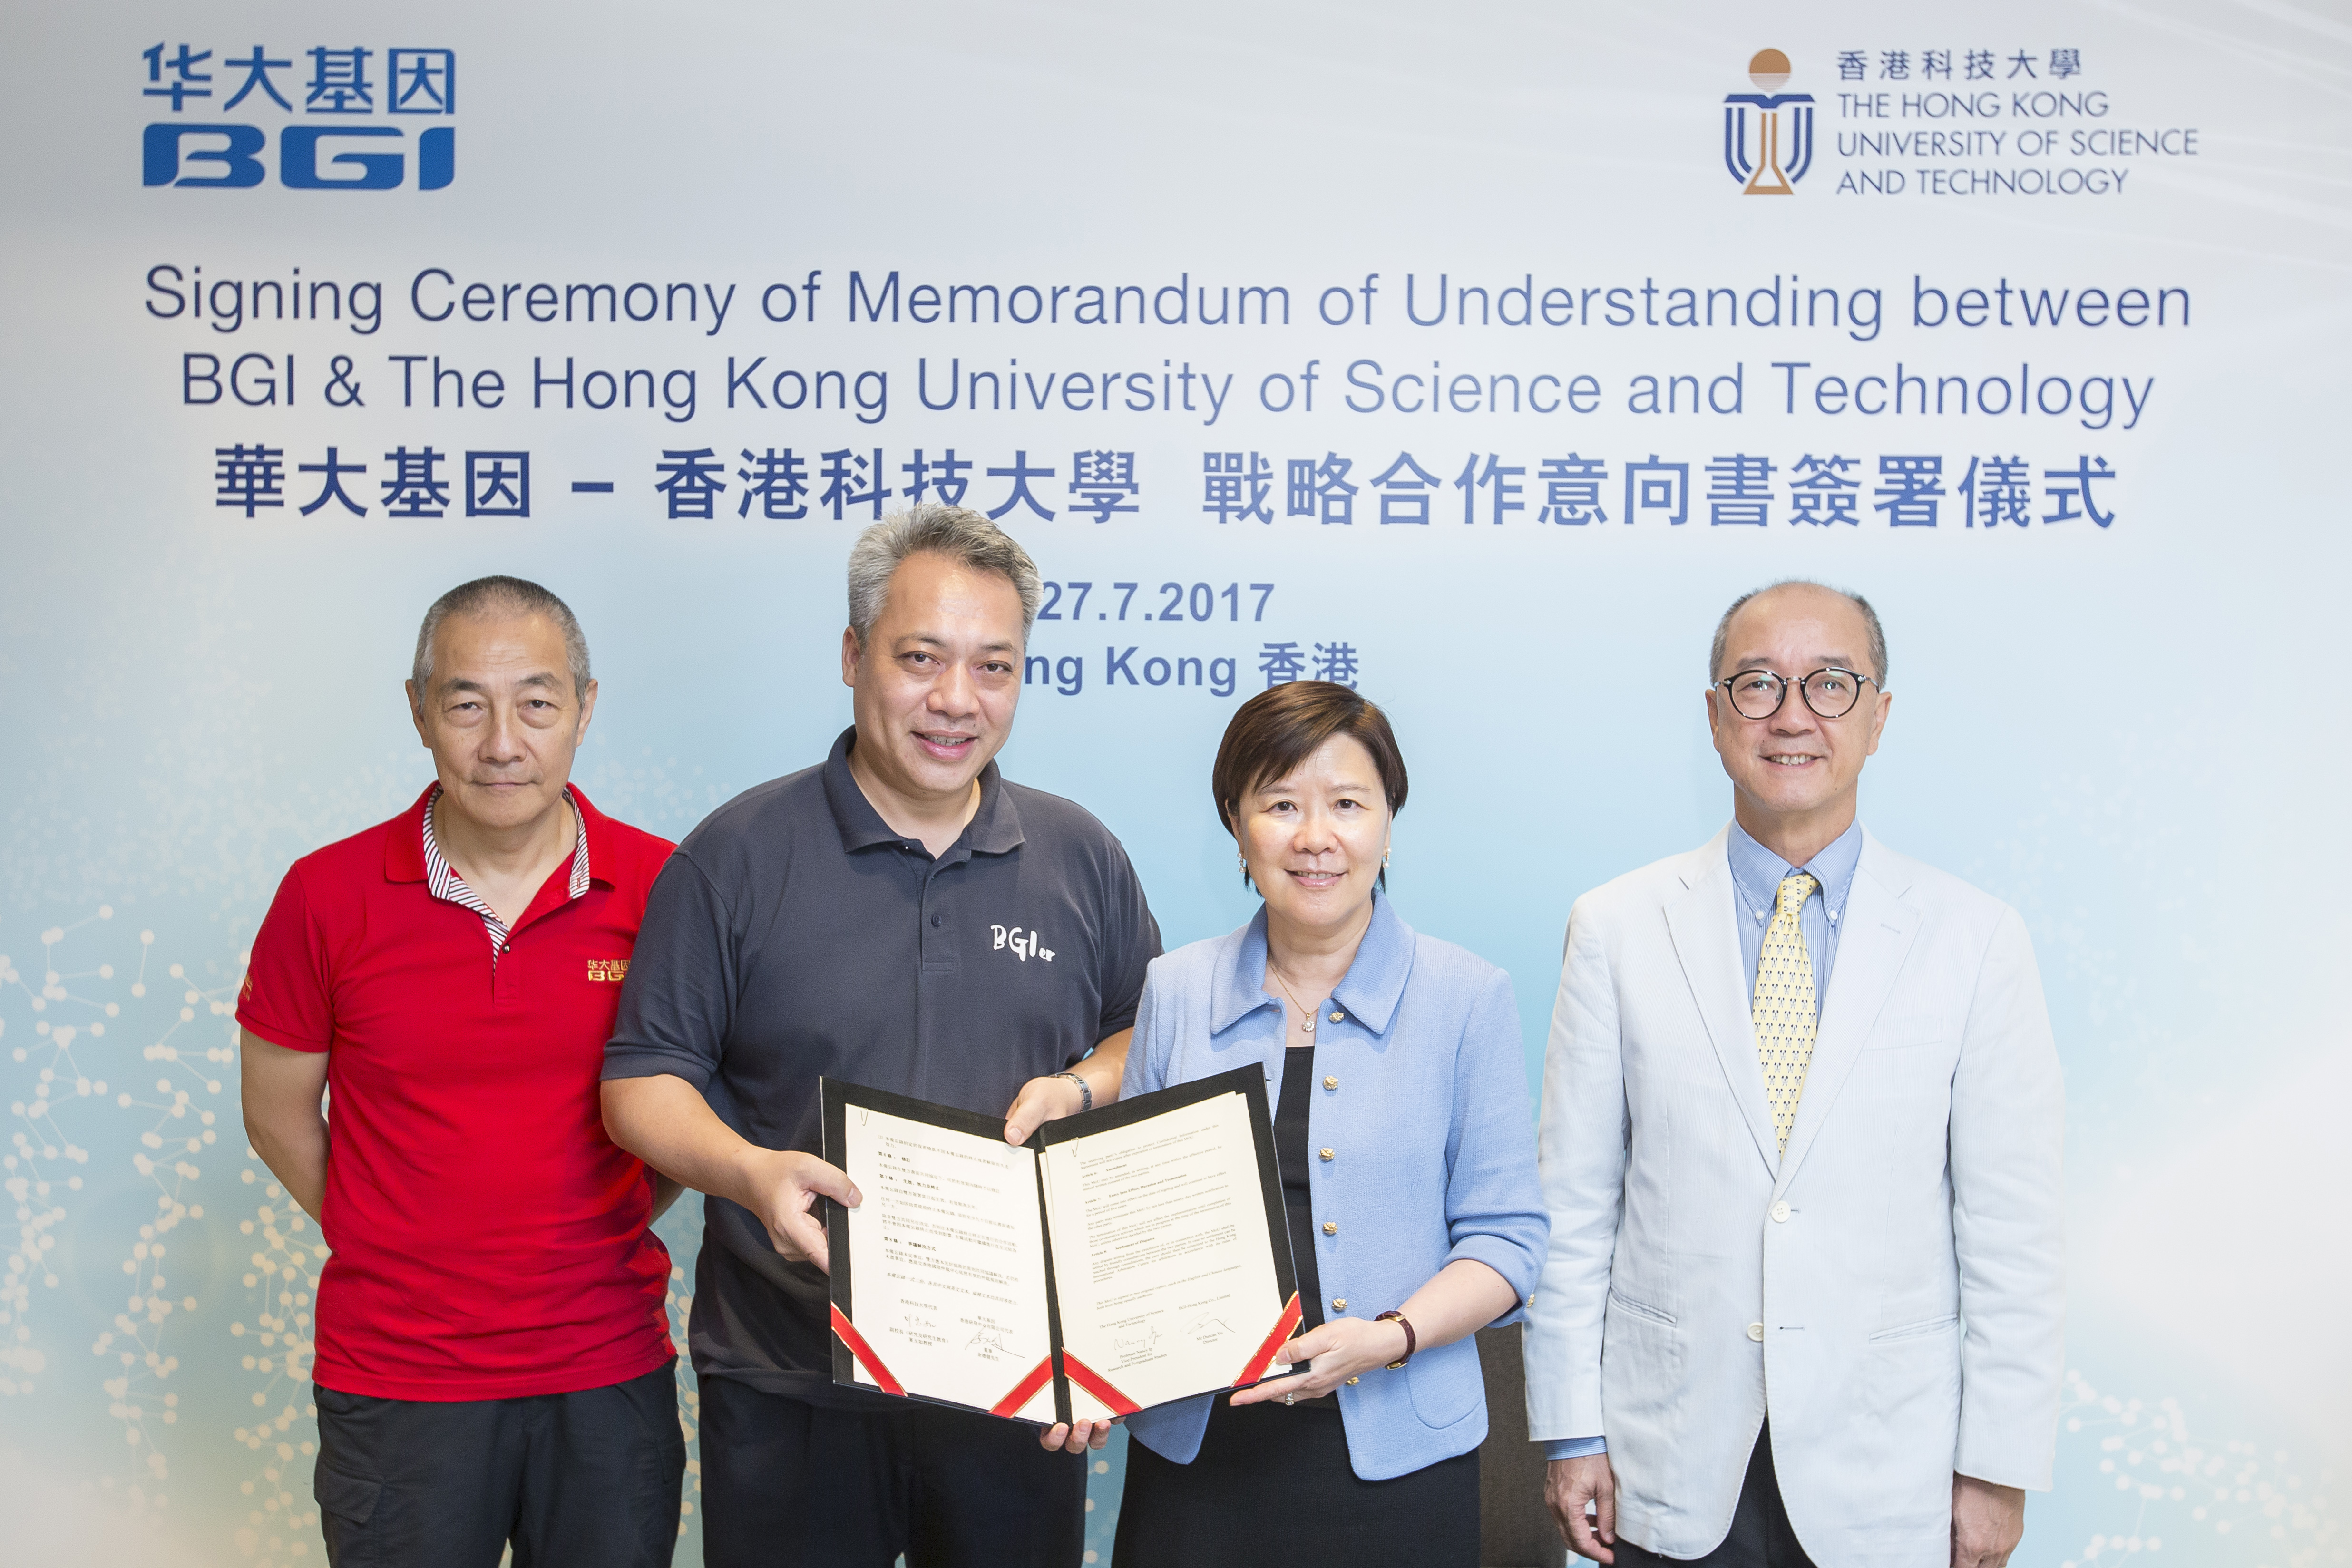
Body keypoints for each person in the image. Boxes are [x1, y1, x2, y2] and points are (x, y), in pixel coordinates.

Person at [599, 503, 1161, 1568]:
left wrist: (1084, 1086)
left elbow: (1144, 1035)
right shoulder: (735, 855)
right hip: (788, 1371)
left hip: (1016, 1375)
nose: (957, 700)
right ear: (853, 654)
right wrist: (751, 1169)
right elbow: (641, 1081)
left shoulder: (1080, 855)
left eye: (994, 667)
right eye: (920, 658)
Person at [1523, 581, 2065, 1568]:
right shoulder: (1615, 925)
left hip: (1890, 1463)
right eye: (1758, 684)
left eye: (1830, 683)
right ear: (1714, 714)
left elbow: (2012, 1230)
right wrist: (1570, 1428)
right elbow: (1573, 1209)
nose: (1792, 715)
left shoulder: (1974, 938)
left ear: (1879, 716)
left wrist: (1997, 1463)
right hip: (1666, 1456)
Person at [237, 576, 685, 1568]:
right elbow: (275, 1114)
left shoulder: (664, 888)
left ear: (585, 707)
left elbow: (685, 1109)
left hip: (606, 1370)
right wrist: (394, 1228)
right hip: (398, 1381)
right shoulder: (325, 894)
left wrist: (587, 1227)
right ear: (417, 710)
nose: (502, 742)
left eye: (537, 701)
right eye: (465, 702)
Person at [1113, 680, 1548, 1568]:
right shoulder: (1178, 989)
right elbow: (1124, 1231)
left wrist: (1387, 1337)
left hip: (1399, 1448)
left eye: (1347, 804)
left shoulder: (1468, 997)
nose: (1315, 838)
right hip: (1199, 1449)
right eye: (1280, 804)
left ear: (1388, 821)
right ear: (1235, 824)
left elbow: (1508, 1241)